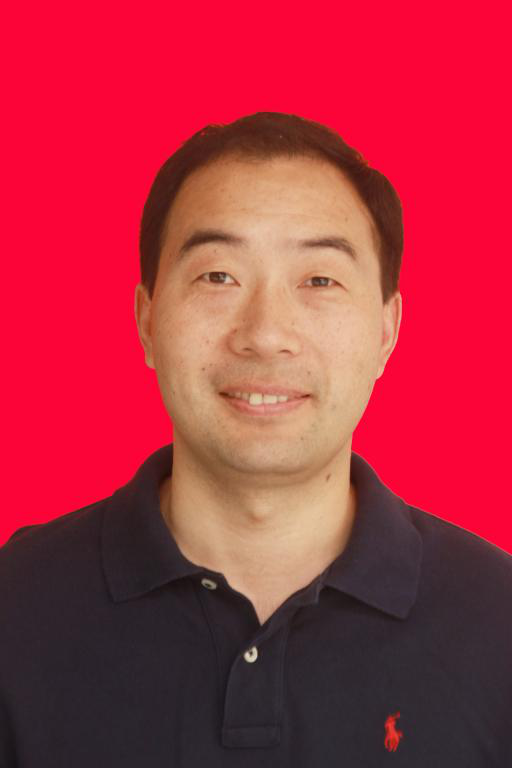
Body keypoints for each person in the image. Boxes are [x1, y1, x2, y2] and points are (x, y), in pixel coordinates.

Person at [1, 112, 511, 767]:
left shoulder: (497, 624)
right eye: (218, 276)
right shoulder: (16, 608)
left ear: (387, 331)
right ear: (147, 319)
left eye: (319, 280)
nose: (266, 333)